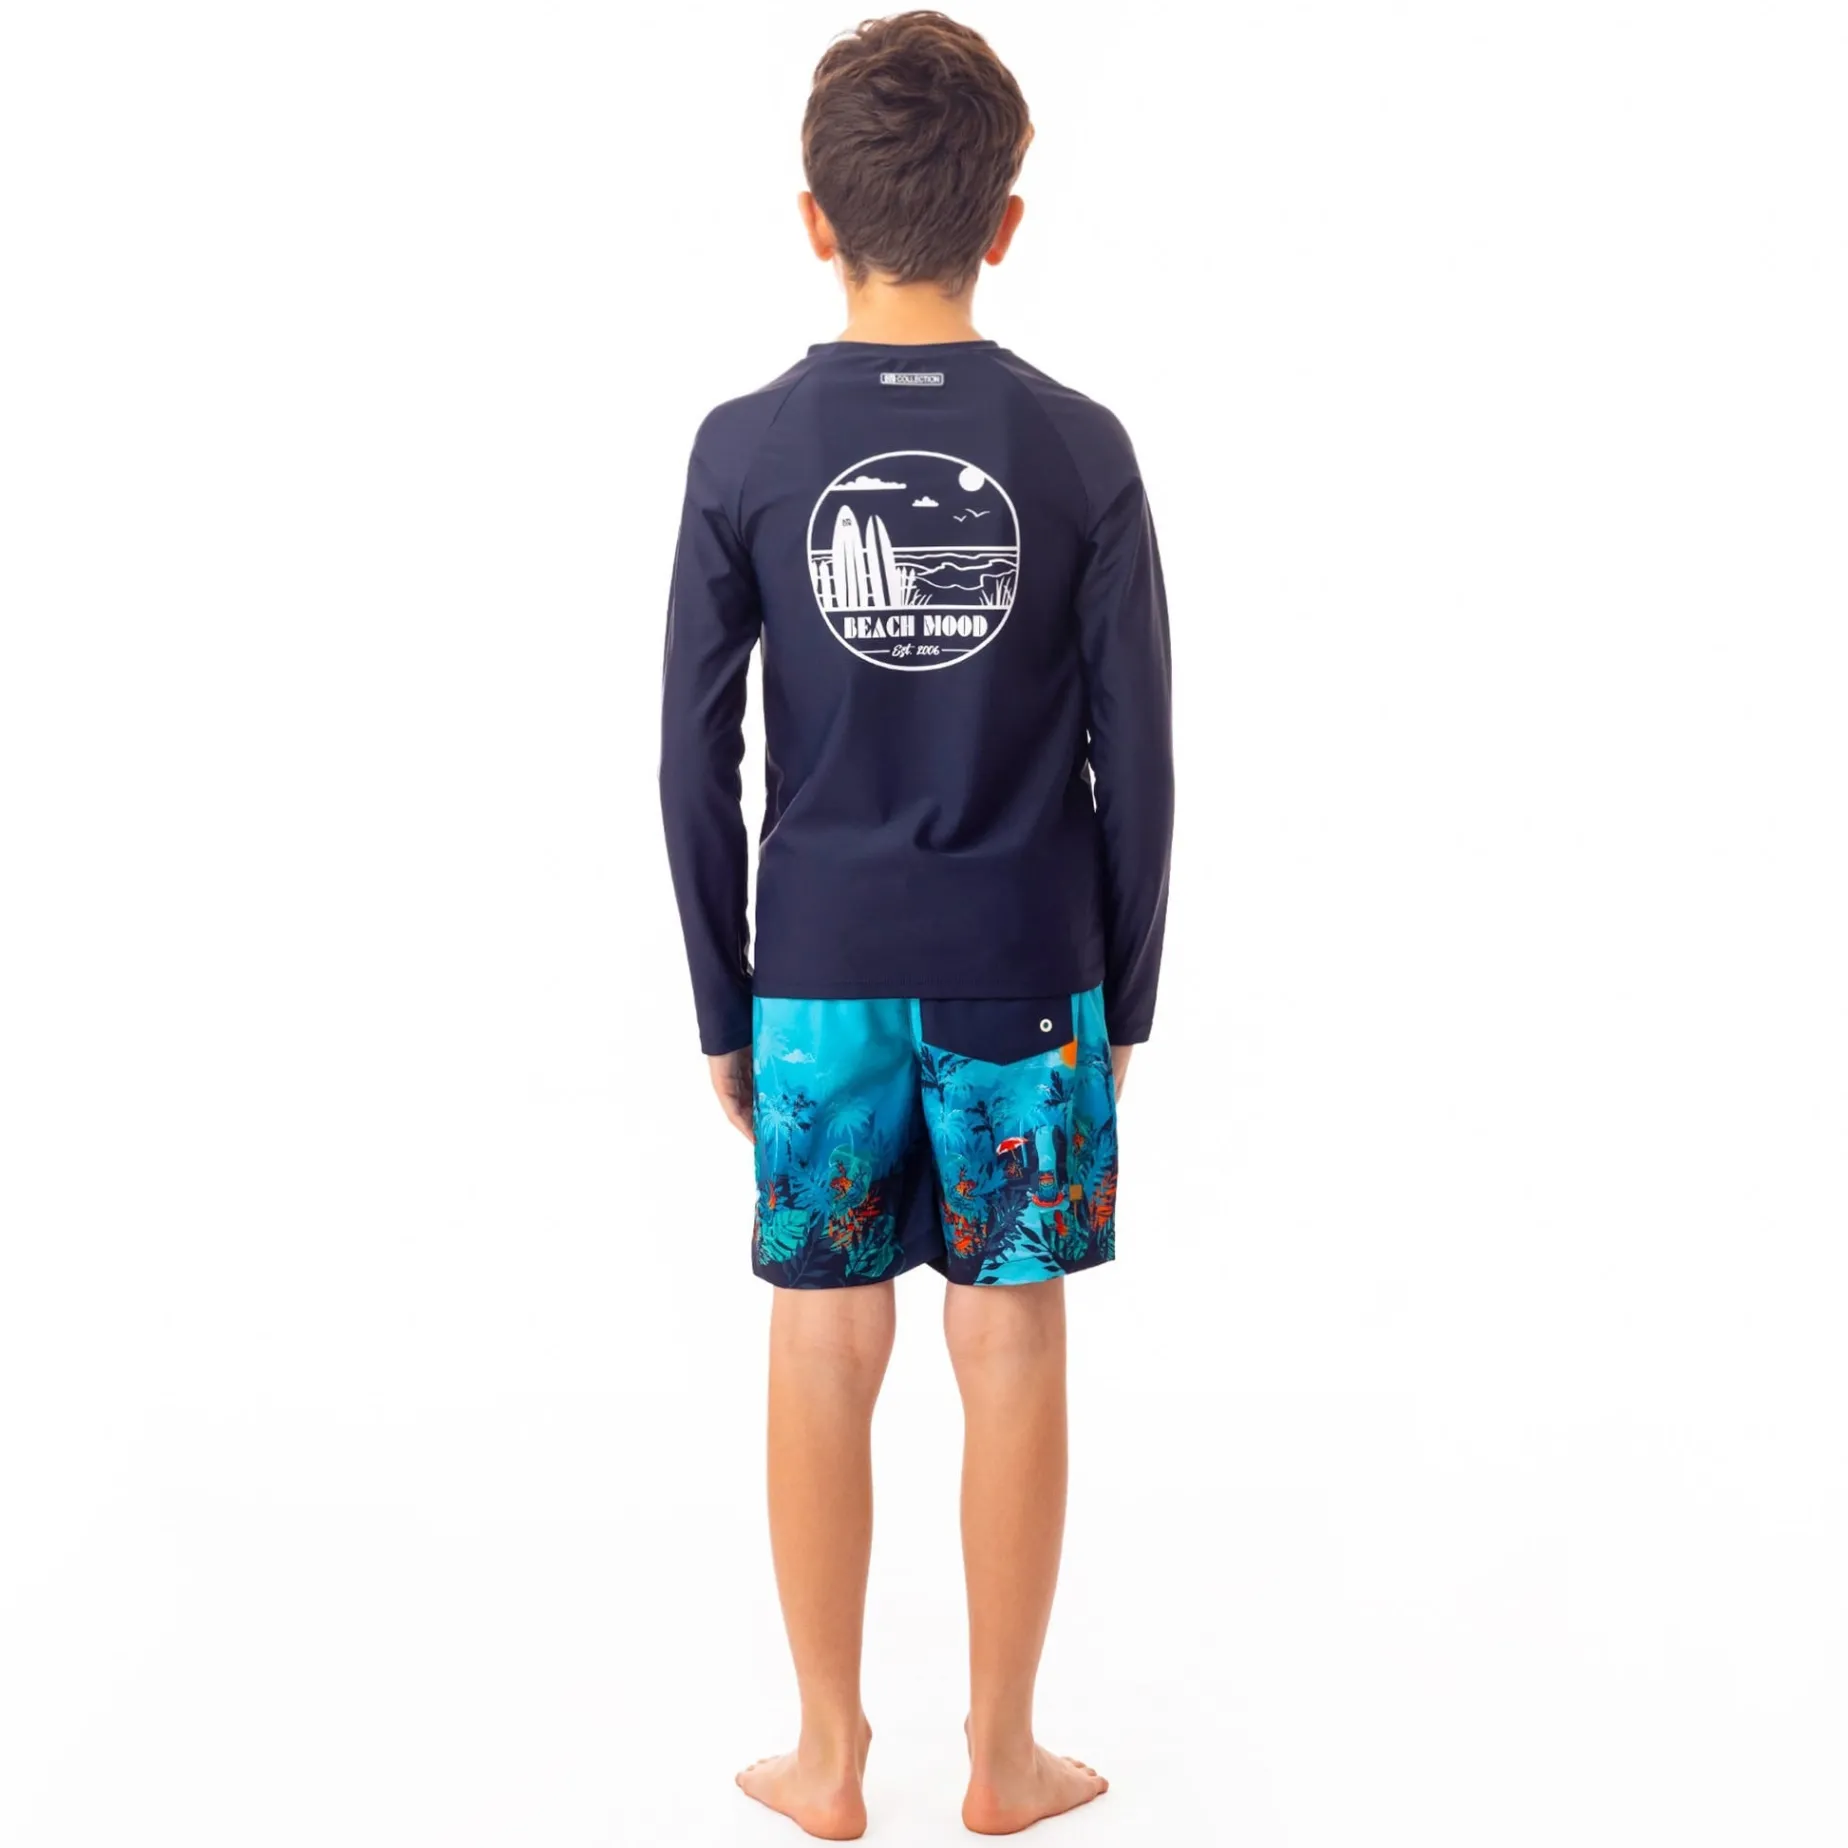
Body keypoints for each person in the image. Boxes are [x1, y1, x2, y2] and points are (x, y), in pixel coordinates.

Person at [659, 12, 1173, 1836]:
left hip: (815, 974)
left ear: (816, 218)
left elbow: (691, 753)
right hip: (1027, 964)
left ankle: (825, 1755)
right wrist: (1126, 998)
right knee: (1009, 1331)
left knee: (822, 1335)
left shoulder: (744, 449)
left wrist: (725, 999)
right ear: (1004, 223)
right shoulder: (1078, 449)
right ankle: (1005, 1757)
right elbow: (1141, 752)